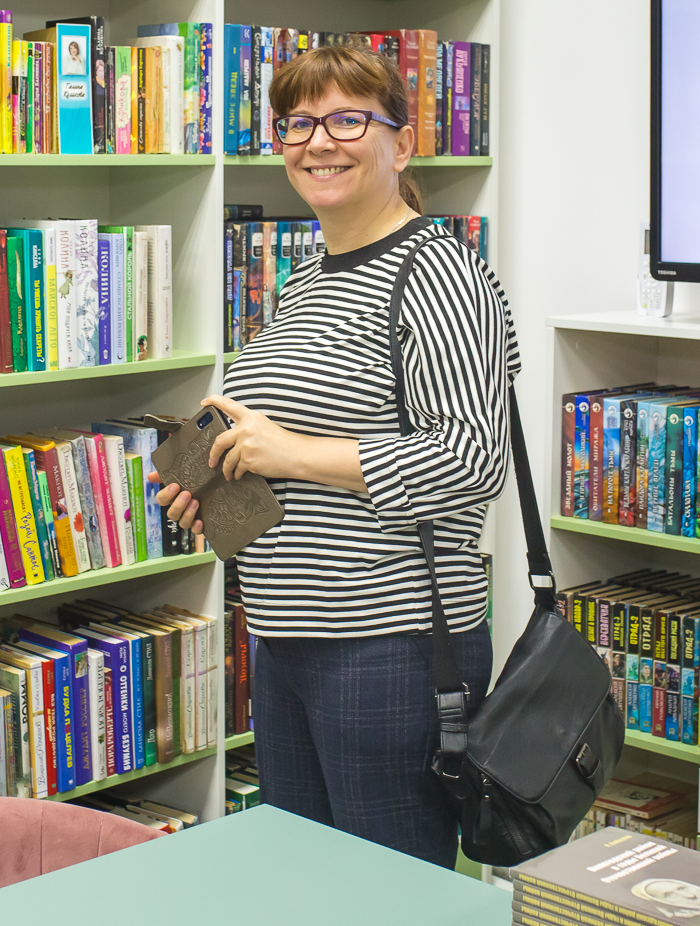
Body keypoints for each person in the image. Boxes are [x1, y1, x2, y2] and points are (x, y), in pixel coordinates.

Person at [155, 44, 518, 867]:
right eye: (297, 123)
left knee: (388, 896)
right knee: (312, 885)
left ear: (402, 143)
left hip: (389, 642)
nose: (319, 141)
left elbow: (471, 459)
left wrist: (291, 453)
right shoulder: (307, 278)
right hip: (286, 635)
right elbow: (296, 438)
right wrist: (217, 478)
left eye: (348, 120)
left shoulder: (440, 273)